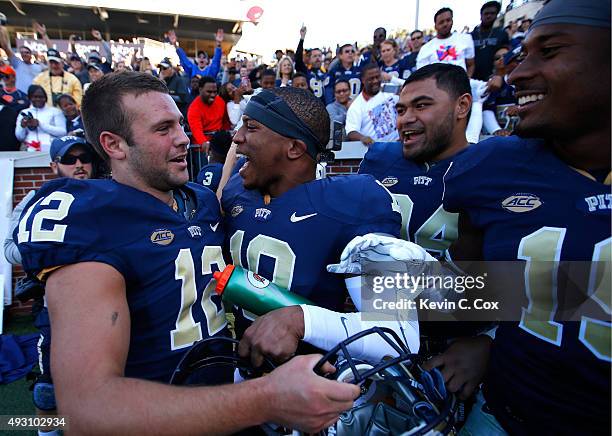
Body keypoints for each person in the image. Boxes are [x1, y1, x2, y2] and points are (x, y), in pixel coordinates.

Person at [15, 71, 360, 434]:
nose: (183, 139)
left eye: (180, 124)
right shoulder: (92, 218)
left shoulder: (207, 202)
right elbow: (86, 412)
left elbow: (421, 318)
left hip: (227, 406)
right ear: (114, 145)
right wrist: (266, 396)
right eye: (163, 129)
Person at [435, 1, 611, 433]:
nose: (516, 74)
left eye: (549, 52)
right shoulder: (492, 167)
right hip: (502, 417)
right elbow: (469, 293)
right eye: (525, 52)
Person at [220, 87, 418, 369]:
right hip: (245, 376)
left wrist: (303, 320)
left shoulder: (352, 201)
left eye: (251, 127)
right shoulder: (239, 188)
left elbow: (400, 335)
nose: (237, 137)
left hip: (313, 387)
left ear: (294, 148)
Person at [6, 135, 96, 436]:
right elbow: (10, 249)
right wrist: (53, 245)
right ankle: (47, 433)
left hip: (106, 302)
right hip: (55, 305)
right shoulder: (35, 199)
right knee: (47, 389)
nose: (79, 165)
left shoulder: (110, 195)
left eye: (84, 158)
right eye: (70, 160)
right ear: (53, 164)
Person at [359, 63, 471, 257]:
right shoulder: (380, 160)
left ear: (461, 106)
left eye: (421, 106)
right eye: (401, 110)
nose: (405, 119)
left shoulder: (488, 166)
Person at [346, 63, 399, 145]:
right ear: (363, 80)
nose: (375, 81)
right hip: (379, 150)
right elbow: (351, 132)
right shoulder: (357, 106)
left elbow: (410, 90)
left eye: (377, 77)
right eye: (371, 79)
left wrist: (392, 79)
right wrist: (362, 138)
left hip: (400, 143)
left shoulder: (389, 88)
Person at [417, 8, 476, 77]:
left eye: (448, 20)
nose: (445, 24)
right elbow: (422, 75)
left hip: (461, 85)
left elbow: (470, 64)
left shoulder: (465, 39)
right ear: (435, 26)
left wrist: (467, 80)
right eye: (441, 22)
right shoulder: (426, 48)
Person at [15, 85, 66, 152]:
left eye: (41, 97)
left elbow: (63, 132)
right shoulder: (24, 112)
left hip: (50, 150)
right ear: (30, 98)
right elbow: (20, 137)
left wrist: (40, 124)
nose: (38, 99)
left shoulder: (55, 111)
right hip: (30, 151)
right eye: (35, 97)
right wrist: (22, 126)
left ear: (46, 98)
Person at [471, 1, 510, 81]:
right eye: (486, 13)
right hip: (473, 78)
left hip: (493, 78)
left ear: (496, 15)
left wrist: (499, 75)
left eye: (492, 13)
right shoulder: (470, 36)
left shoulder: (502, 34)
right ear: (481, 16)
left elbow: (505, 56)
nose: (489, 16)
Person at [187, 76, 230, 147]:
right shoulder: (194, 108)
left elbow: (225, 122)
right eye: (209, 92)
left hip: (220, 144)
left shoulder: (220, 101)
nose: (213, 95)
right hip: (202, 148)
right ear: (200, 90)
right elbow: (196, 130)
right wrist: (205, 143)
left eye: (215, 92)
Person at [0, 24, 44, 93]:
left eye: (26, 52)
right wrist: (2, 30)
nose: (24, 54)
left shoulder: (39, 67)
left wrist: (44, 35)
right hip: (19, 98)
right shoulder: (17, 63)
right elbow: (6, 47)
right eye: (22, 53)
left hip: (34, 99)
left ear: (31, 54)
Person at [295, 26, 329, 102]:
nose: (317, 58)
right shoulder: (305, 72)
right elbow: (298, 59)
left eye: (319, 56)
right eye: (315, 56)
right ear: (309, 59)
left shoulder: (326, 73)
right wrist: (302, 38)